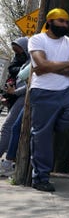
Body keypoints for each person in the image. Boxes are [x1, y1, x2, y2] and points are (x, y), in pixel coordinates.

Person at [27, 8, 69, 192]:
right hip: (42, 92)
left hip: (66, 90)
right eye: (61, 21)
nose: (65, 25)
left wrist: (48, 66)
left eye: (67, 22)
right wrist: (65, 64)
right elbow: (41, 64)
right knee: (41, 138)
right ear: (50, 21)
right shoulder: (37, 39)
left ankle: (48, 127)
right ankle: (40, 178)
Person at [0, 39, 30, 176]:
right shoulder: (24, 61)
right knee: (14, 129)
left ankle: (9, 161)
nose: (17, 54)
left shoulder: (33, 61)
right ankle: (10, 161)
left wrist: (15, 92)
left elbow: (30, 83)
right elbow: (15, 76)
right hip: (18, 97)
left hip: (24, 97)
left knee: (9, 127)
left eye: (18, 50)